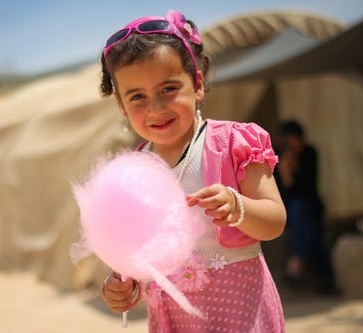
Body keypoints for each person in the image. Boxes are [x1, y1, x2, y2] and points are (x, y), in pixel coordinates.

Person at [100, 9, 287, 332]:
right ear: (121, 105)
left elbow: (275, 221)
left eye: (168, 89)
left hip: (240, 314)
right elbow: (134, 251)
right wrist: (123, 284)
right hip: (174, 319)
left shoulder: (232, 142)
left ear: (197, 85)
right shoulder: (133, 170)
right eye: (137, 97)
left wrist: (237, 205)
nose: (155, 108)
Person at [276, 120, 334, 292]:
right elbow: (280, 193)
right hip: (289, 210)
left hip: (308, 205)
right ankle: (324, 278)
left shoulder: (309, 153)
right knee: (309, 225)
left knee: (303, 212)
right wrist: (285, 172)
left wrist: (294, 170)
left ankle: (296, 264)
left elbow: (308, 188)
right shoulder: (277, 156)